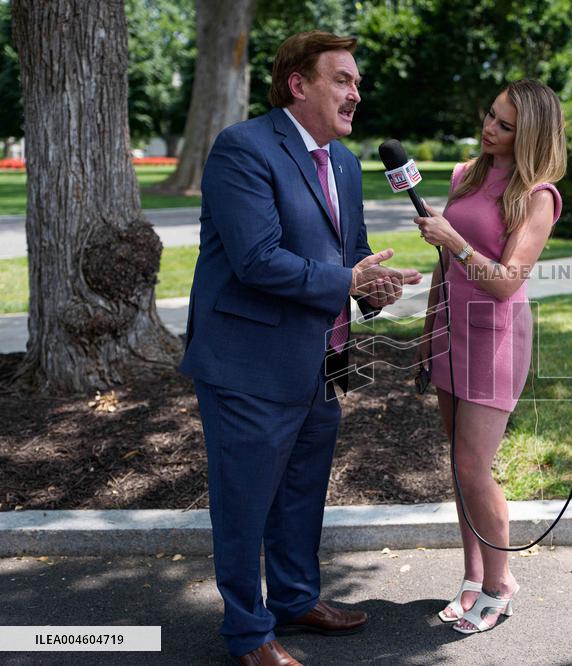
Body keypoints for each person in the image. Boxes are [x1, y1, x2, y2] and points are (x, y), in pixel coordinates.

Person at [179, 31, 421, 665]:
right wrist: (349, 280)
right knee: (245, 500)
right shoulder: (244, 148)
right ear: (299, 85)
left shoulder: (342, 162)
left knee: (302, 491)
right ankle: (248, 633)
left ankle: (295, 599)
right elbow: (257, 260)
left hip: (322, 358)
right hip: (246, 362)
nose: (356, 93)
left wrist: (373, 287)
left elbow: (351, 250)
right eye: (343, 79)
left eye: (357, 83)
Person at [412, 79, 566, 634]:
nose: (490, 128)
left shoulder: (539, 196)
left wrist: (453, 240)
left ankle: (502, 585)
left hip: (495, 338)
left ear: (530, 136)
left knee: (476, 467)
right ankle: (473, 578)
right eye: (491, 116)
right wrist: (428, 332)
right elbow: (444, 268)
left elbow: (505, 283)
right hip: (450, 333)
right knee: (459, 465)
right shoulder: (465, 174)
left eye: (504, 125)